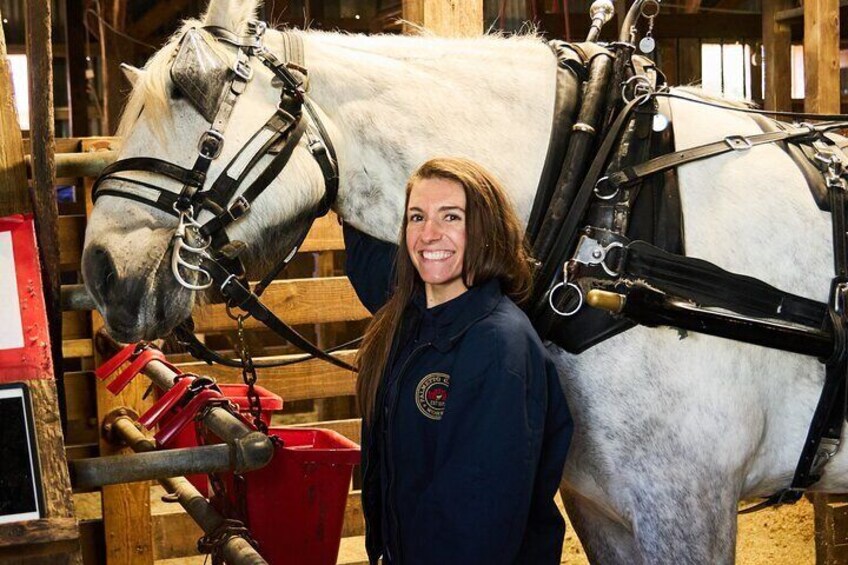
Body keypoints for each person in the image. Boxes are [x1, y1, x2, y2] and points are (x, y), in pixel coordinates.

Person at [350, 157, 573, 565]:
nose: (428, 234)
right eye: (416, 217)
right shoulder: (407, 323)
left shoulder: (499, 346)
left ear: (484, 230)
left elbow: (481, 518)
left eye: (450, 217)